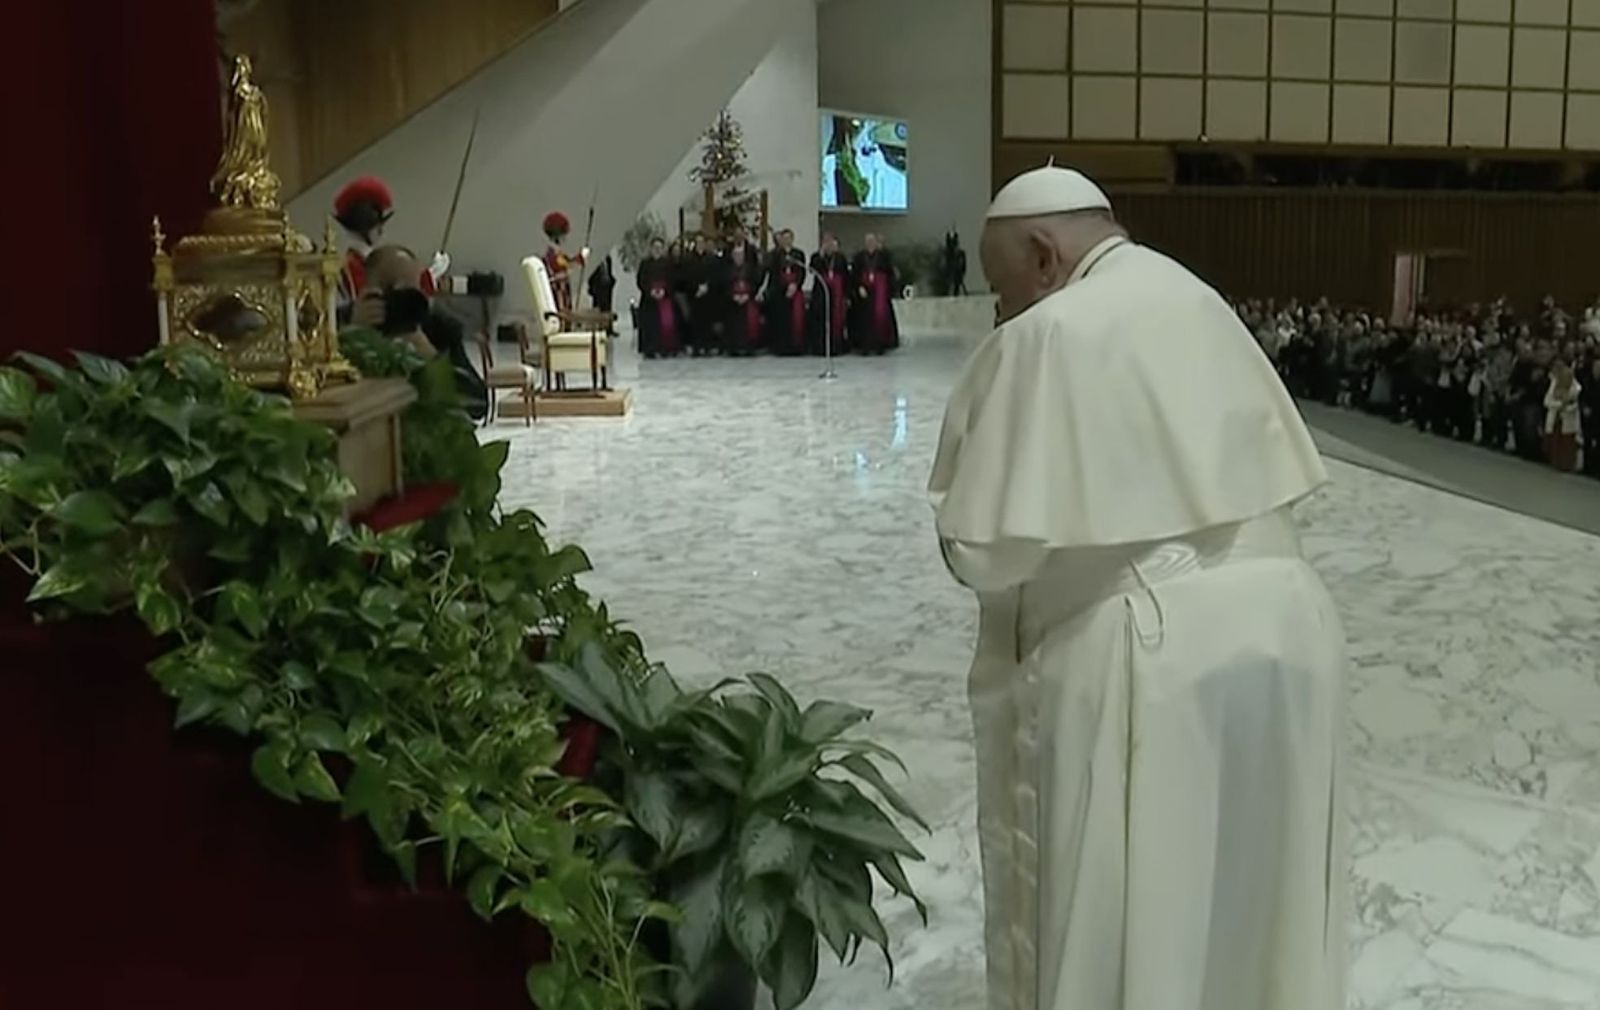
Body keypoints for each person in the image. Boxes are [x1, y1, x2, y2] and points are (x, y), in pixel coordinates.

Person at [929, 165, 1347, 1010]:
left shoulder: (1050, 332)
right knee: (1260, 901)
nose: (1003, 313)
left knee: (1140, 923)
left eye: (1003, 291)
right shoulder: (1199, 299)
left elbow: (982, 548)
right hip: (1292, 631)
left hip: (1147, 656)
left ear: (1043, 256)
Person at [352, 245, 486, 420]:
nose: (399, 300)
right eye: (389, 290)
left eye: (408, 290)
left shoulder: (439, 328)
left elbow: (477, 405)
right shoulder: (340, 323)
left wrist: (430, 355)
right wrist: (352, 332)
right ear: (366, 288)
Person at [333, 176, 449, 323]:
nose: (381, 231)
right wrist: (429, 277)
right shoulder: (358, 265)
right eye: (379, 226)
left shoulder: (349, 263)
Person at [850, 233, 900, 354]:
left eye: (872, 241)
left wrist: (889, 289)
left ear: (876, 243)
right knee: (864, 319)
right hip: (865, 292)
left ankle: (880, 345)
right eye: (868, 242)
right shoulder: (859, 257)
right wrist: (859, 286)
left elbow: (890, 274)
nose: (870, 244)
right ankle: (865, 346)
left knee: (880, 316)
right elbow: (854, 275)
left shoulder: (884, 256)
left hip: (880, 292)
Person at [762, 228, 808, 356]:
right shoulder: (775, 254)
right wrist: (783, 286)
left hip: (794, 289)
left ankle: (795, 347)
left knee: (795, 320)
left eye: (789, 238)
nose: (786, 241)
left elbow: (801, 272)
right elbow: (773, 273)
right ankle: (781, 347)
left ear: (792, 239)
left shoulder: (798, 254)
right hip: (779, 291)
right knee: (781, 320)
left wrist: (795, 285)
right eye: (784, 238)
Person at [719, 241, 764, 356]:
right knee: (733, 324)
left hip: (748, 299)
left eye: (740, 255)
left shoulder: (751, 269)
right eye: (736, 255)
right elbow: (724, 285)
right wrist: (733, 295)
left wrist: (748, 295)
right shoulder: (727, 269)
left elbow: (755, 283)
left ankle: (748, 347)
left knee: (749, 324)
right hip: (732, 300)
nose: (738, 258)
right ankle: (734, 348)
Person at [809, 233, 850, 356]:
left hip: (837, 293)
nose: (828, 244)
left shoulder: (840, 258)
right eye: (826, 242)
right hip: (820, 293)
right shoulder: (816, 256)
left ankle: (835, 347)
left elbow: (846, 277)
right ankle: (820, 348)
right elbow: (812, 270)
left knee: (835, 320)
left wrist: (846, 295)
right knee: (820, 319)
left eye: (830, 242)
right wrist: (820, 256)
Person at [542, 211, 588, 314]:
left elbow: (567, 262)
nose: (565, 238)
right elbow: (566, 264)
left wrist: (579, 258)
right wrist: (580, 259)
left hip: (562, 297)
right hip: (559, 300)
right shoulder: (553, 255)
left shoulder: (555, 253)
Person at [1544, 359, 1583, 471]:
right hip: (1556, 418)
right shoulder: (1554, 384)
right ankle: (1555, 463)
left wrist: (1566, 407)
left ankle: (1567, 465)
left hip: (1568, 420)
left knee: (1568, 444)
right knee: (1555, 442)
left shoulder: (1576, 389)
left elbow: (1576, 405)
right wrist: (1560, 405)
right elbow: (1547, 401)